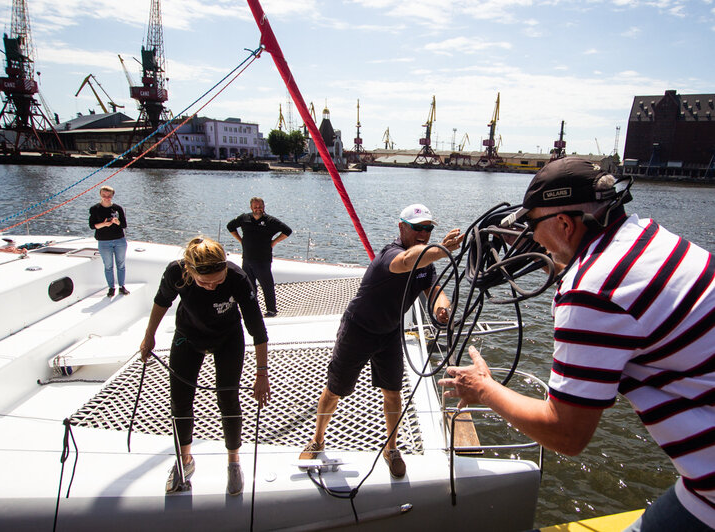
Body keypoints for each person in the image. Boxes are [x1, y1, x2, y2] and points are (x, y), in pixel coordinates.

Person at [439, 157, 714, 531]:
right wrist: (556, 259)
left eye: (532, 226)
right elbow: (615, 290)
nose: (530, 238)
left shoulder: (590, 292)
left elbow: (565, 433)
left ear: (566, 224)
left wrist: (484, 389)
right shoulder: (647, 236)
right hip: (701, 489)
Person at [299, 204, 464, 478]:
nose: (424, 232)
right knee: (335, 389)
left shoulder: (426, 266)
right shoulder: (391, 254)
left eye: (429, 228)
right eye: (418, 228)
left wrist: (440, 309)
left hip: (389, 332)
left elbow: (434, 290)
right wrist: (440, 248)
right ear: (401, 228)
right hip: (359, 329)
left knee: (393, 391)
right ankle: (317, 439)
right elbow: (408, 261)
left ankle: (391, 448)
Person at [139, 237, 271, 496]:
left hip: (227, 339)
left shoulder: (237, 278)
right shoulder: (176, 271)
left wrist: (262, 373)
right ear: (189, 271)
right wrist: (149, 336)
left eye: (218, 281)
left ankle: (234, 462)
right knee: (180, 400)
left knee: (228, 399)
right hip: (188, 337)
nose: (212, 287)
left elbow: (257, 327)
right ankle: (185, 460)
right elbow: (162, 301)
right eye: (204, 282)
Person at [227, 197, 292, 317]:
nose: (258, 209)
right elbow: (230, 226)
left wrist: (274, 242)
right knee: (249, 287)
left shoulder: (270, 221)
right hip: (247, 259)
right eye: (255, 207)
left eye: (260, 207)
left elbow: (287, 231)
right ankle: (252, 310)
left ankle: (271, 311)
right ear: (251, 207)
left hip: (263, 261)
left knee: (267, 286)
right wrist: (241, 240)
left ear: (264, 207)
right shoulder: (244, 218)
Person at [89, 185, 129, 297]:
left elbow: (124, 225)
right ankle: (111, 288)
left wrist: (117, 222)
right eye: (104, 195)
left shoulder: (118, 208)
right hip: (104, 242)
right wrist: (104, 224)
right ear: (100, 195)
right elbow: (92, 226)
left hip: (119, 240)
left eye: (109, 196)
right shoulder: (95, 209)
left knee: (121, 264)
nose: (106, 198)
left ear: (112, 196)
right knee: (108, 266)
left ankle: (122, 286)